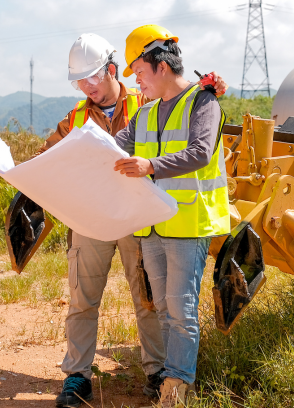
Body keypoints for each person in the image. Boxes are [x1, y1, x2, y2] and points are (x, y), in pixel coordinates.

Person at [31, 33, 228, 408]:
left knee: (160, 303)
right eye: (79, 81)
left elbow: (199, 144)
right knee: (103, 302)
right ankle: (88, 376)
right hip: (118, 222)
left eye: (91, 77)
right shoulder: (100, 114)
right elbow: (88, 152)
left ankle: (166, 378)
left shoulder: (165, 99)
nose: (86, 86)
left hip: (161, 220)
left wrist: (212, 90)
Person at [114, 24, 231, 408]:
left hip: (187, 224)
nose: (137, 83)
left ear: (161, 66)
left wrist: (150, 164)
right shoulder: (145, 114)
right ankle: (170, 376)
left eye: (140, 73)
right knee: (163, 306)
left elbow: (200, 151)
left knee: (181, 308)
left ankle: (178, 389)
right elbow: (110, 147)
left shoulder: (203, 103)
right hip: (152, 226)